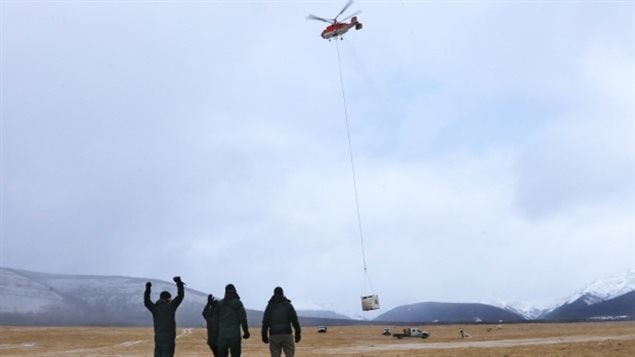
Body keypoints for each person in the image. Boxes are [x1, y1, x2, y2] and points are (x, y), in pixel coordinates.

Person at [144, 276, 185, 357]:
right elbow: (180, 296)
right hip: (169, 340)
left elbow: (146, 301)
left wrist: (148, 289)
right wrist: (179, 283)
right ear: (168, 299)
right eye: (170, 298)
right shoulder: (171, 306)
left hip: (158, 339)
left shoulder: (155, 308)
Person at [261, 287, 301, 357]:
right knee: (290, 354)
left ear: (274, 294)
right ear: (282, 294)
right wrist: (298, 333)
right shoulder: (288, 305)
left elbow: (265, 322)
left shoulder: (270, 306)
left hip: (274, 335)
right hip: (287, 334)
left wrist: (264, 335)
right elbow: (295, 320)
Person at [215, 283, 250, 357]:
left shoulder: (220, 304)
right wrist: (246, 332)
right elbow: (243, 319)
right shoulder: (238, 303)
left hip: (222, 336)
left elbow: (214, 320)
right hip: (235, 336)